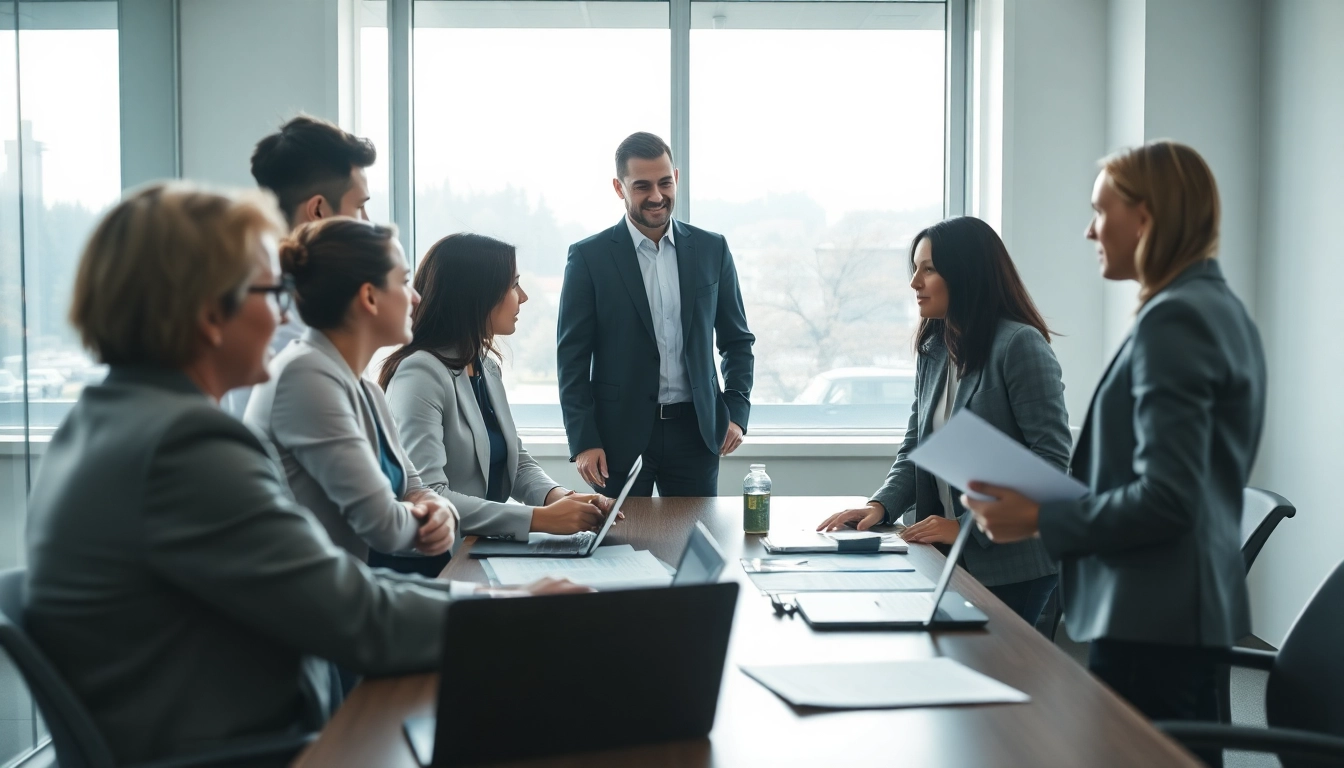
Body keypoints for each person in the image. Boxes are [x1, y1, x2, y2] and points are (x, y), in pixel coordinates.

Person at [25, 183, 584, 767]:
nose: (285, 313)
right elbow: (347, 609)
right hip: (244, 746)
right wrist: (511, 612)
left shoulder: (104, 422)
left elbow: (331, 584)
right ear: (209, 312)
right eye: (273, 291)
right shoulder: (183, 447)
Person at [964, 141, 1265, 765]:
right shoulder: (1215, 307)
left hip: (1151, 616)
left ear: (1147, 217)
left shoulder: (1175, 321)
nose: (1089, 229)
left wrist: (1039, 518)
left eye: (1101, 211)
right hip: (1176, 612)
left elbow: (1169, 499)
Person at [816, 216, 1070, 626]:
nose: (915, 282)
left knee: (994, 677)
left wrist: (964, 527)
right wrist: (880, 505)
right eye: (915, 268)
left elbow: (1051, 464)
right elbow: (917, 446)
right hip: (946, 554)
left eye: (928, 269)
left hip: (1014, 564)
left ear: (966, 273)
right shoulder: (934, 348)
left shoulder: (1019, 345)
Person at [244, 217, 455, 577]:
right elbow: (384, 526)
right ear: (369, 296)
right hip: (295, 604)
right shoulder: (304, 375)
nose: (416, 297)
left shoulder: (364, 386)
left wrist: (440, 511)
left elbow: (415, 487)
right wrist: (428, 518)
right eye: (404, 282)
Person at [557, 131, 755, 497]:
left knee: (694, 547)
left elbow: (737, 340)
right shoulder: (589, 257)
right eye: (642, 186)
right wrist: (583, 440)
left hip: (696, 433)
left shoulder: (712, 249)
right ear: (619, 188)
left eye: (665, 183)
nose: (656, 196)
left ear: (676, 178)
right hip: (617, 438)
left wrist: (736, 410)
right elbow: (572, 358)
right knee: (618, 548)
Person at [381, 233, 615, 541]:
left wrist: (561, 498)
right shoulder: (420, 373)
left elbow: (514, 463)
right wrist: (539, 519)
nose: (524, 296)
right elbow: (429, 496)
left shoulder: (484, 365)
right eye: (513, 285)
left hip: (478, 546)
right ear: (478, 295)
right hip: (440, 558)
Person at [222, 114, 377, 416]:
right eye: (360, 207)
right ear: (318, 210)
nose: (368, 224)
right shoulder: (283, 324)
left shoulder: (291, 301)